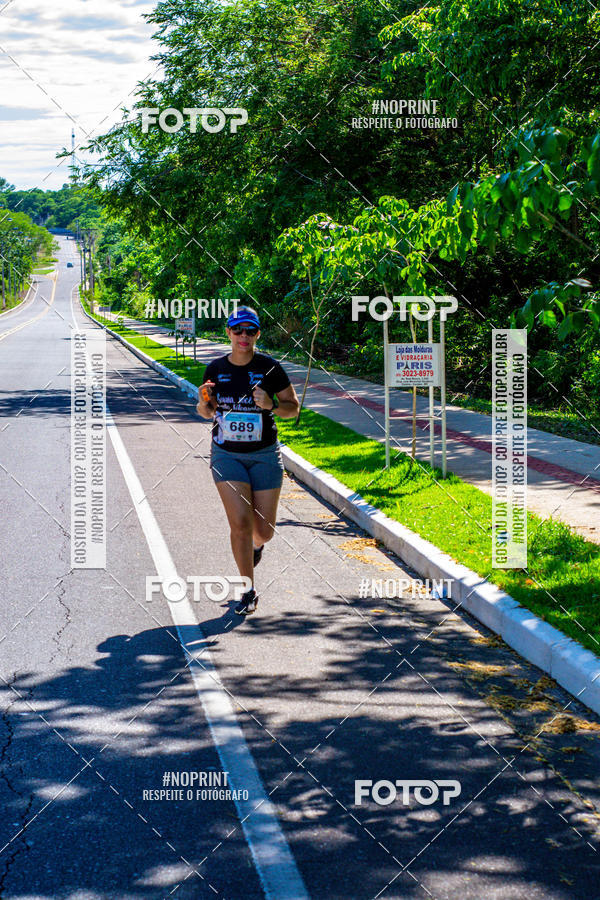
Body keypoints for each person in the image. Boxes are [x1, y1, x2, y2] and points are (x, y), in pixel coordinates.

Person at [196, 306, 300, 615]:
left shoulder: (270, 367)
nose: (244, 336)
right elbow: (205, 412)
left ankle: (257, 547)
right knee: (240, 523)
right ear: (228, 332)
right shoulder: (215, 369)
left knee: (263, 530)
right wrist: (205, 402)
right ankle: (248, 590)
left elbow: (292, 408)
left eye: (250, 331)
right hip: (227, 455)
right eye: (238, 330)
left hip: (264, 454)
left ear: (257, 334)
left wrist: (270, 405)